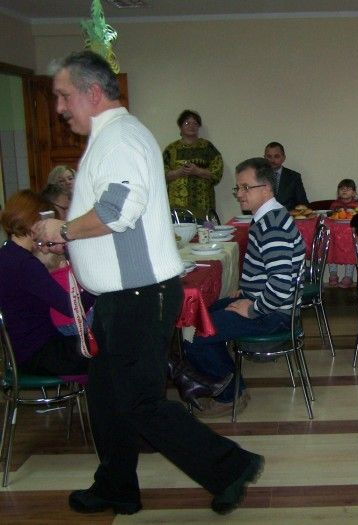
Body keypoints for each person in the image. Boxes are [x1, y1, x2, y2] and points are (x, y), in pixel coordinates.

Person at [33, 51, 262, 516]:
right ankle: (116, 486)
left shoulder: (120, 138)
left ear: (92, 92)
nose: (59, 107)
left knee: (140, 403)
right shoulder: (110, 137)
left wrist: (65, 230)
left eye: (63, 96)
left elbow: (118, 210)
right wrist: (74, 243)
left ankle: (231, 466)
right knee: (105, 398)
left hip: (138, 298)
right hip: (123, 298)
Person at [182, 157, 306, 416]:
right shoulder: (269, 216)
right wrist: (247, 289)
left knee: (195, 333)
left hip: (274, 313)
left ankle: (231, 395)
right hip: (265, 302)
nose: (239, 194)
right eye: (238, 188)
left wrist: (252, 309)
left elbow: (281, 284)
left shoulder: (271, 225)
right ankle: (227, 383)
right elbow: (269, 270)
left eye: (245, 187)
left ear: (266, 189)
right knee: (197, 316)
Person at [0, 190, 90, 376]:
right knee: (110, 346)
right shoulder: (25, 264)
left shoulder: (7, 255)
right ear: (34, 223)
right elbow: (71, 308)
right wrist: (97, 289)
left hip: (22, 352)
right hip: (40, 354)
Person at [163, 109, 223, 220]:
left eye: (195, 123)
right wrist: (179, 172)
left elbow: (217, 173)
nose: (191, 126)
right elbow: (161, 175)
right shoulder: (171, 149)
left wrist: (197, 171)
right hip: (177, 208)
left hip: (203, 206)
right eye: (187, 123)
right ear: (180, 126)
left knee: (204, 231)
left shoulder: (207, 147)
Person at [328, 178, 358, 288]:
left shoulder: (357, 205)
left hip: (350, 235)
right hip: (336, 235)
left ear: (354, 192)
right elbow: (331, 218)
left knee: (351, 252)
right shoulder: (335, 205)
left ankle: (348, 276)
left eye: (348, 189)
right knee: (331, 249)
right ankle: (333, 273)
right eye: (342, 189)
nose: (344, 191)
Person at [264, 141, 309, 210]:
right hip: (263, 215)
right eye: (269, 156)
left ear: (283, 158)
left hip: (288, 215)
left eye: (276, 156)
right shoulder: (257, 176)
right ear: (264, 158)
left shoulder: (294, 177)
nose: (272, 160)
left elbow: (303, 203)